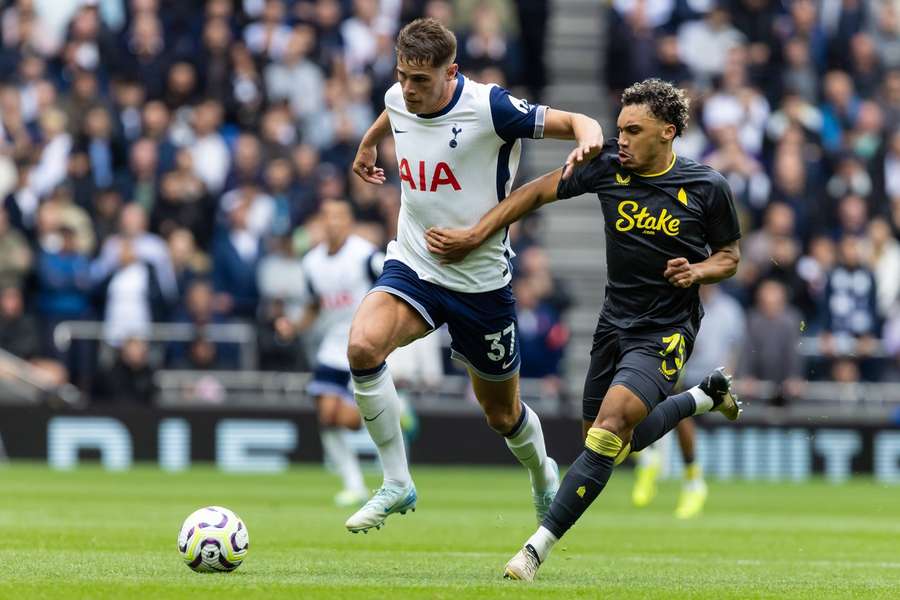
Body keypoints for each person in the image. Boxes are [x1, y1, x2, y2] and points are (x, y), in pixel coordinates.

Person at [424, 79, 742, 580]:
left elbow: (730, 257)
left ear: (669, 132)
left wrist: (698, 271)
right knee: (612, 442)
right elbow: (534, 193)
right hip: (613, 323)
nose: (623, 140)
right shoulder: (607, 168)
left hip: (667, 329)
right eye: (619, 130)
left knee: (610, 430)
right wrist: (474, 234)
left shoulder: (707, 187)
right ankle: (704, 397)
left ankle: (533, 550)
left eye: (634, 131)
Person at [344, 17, 604, 534]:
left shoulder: (490, 107)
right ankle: (397, 482)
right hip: (415, 263)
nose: (409, 90)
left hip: (480, 283)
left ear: (452, 72)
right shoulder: (400, 95)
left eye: (422, 81)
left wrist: (588, 143)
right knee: (362, 348)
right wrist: (368, 143)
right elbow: (391, 111)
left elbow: (579, 120)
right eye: (403, 77)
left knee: (502, 415)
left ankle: (542, 473)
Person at [277, 197, 384, 508]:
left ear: (349, 223)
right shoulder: (312, 262)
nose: (333, 223)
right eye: (328, 217)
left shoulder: (365, 255)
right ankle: (353, 483)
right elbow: (314, 305)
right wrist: (294, 327)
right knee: (326, 417)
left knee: (348, 419)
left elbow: (394, 281)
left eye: (339, 217)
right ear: (320, 223)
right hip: (333, 344)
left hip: (365, 341)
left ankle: (398, 410)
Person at [630, 284, 746, 519]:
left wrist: (729, 376)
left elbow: (736, 346)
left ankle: (689, 476)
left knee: (678, 414)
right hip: (680, 366)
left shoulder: (728, 309)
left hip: (710, 373)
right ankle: (650, 459)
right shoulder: (679, 298)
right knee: (629, 405)